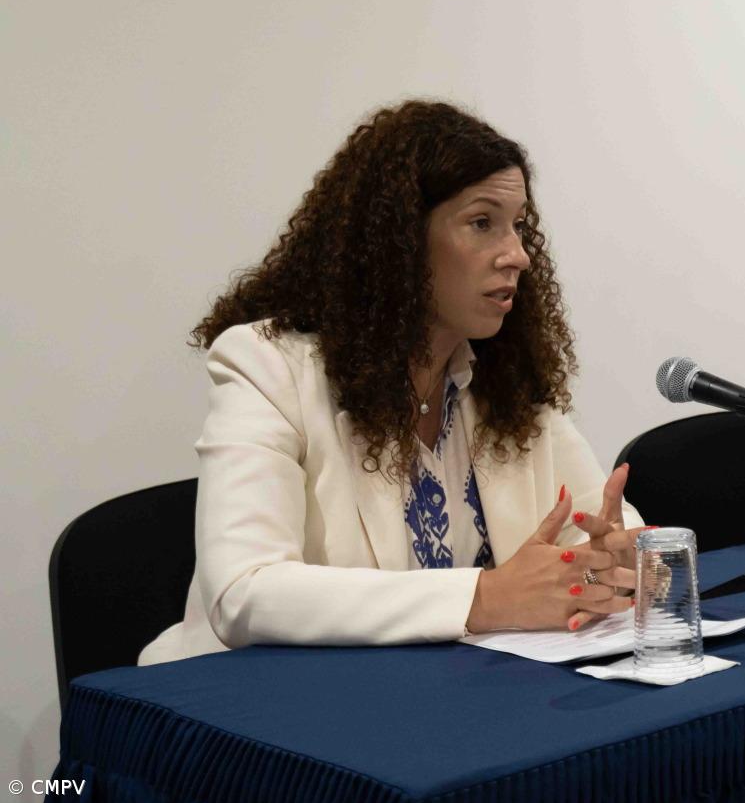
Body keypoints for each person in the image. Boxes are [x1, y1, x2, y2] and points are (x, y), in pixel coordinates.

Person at [141, 101, 642, 664]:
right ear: (398, 240)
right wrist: (485, 597)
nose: (518, 256)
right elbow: (244, 591)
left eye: (519, 226)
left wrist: (613, 563)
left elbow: (603, 527)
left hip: (440, 696)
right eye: (483, 223)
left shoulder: (502, 381)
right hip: (246, 701)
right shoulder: (267, 366)